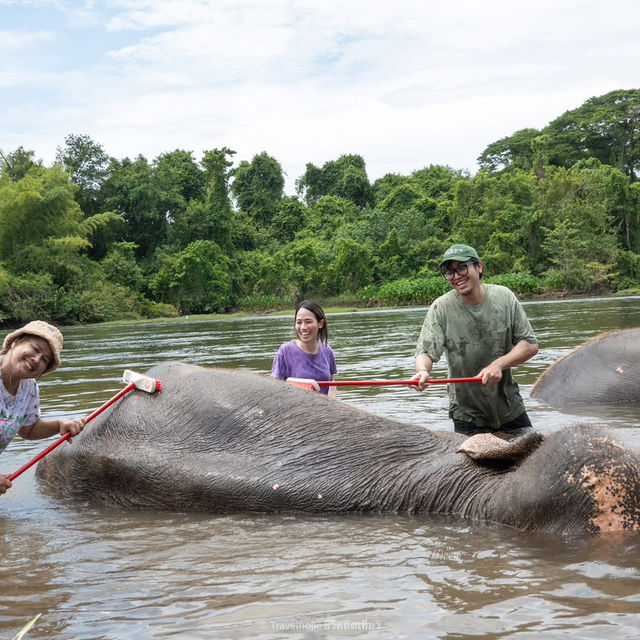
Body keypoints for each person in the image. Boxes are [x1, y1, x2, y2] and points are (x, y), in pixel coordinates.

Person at [413, 244, 539, 438]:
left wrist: (498, 364)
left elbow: (529, 344)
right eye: (449, 272)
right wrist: (422, 371)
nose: (456, 276)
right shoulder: (441, 308)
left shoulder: (504, 297)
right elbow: (426, 352)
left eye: (461, 268)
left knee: (533, 456)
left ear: (478, 267)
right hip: (467, 414)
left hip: (509, 406)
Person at [0, 321, 86, 495]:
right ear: (16, 342)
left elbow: (29, 430)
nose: (36, 360)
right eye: (35, 349)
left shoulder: (29, 388)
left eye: (45, 360)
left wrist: (59, 424)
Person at [271, 300, 338, 399]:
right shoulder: (285, 351)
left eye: (308, 322)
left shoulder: (328, 351)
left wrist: (333, 404)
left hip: (324, 411)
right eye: (299, 322)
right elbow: (274, 389)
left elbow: (332, 384)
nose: (303, 327)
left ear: (321, 323)